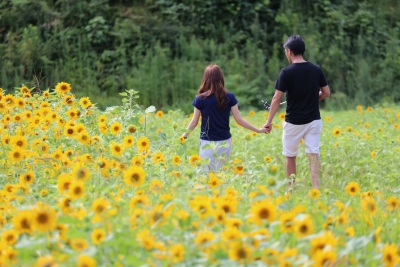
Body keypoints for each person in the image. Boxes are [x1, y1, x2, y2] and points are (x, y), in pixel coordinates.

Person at [262, 35, 330, 189]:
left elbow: (276, 99)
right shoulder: (315, 69)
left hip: (293, 122)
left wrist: (269, 121)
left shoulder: (286, 72)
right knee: (314, 156)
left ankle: (290, 191)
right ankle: (318, 191)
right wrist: (313, 98)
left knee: (290, 157)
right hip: (313, 121)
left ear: (289, 51)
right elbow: (326, 93)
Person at [182, 64, 268, 170]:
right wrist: (258, 130)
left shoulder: (200, 99)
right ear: (221, 78)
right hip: (225, 142)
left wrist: (184, 136)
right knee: (221, 174)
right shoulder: (229, 97)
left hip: (208, 143)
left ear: (205, 79)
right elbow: (239, 120)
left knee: (206, 175)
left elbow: (194, 122)